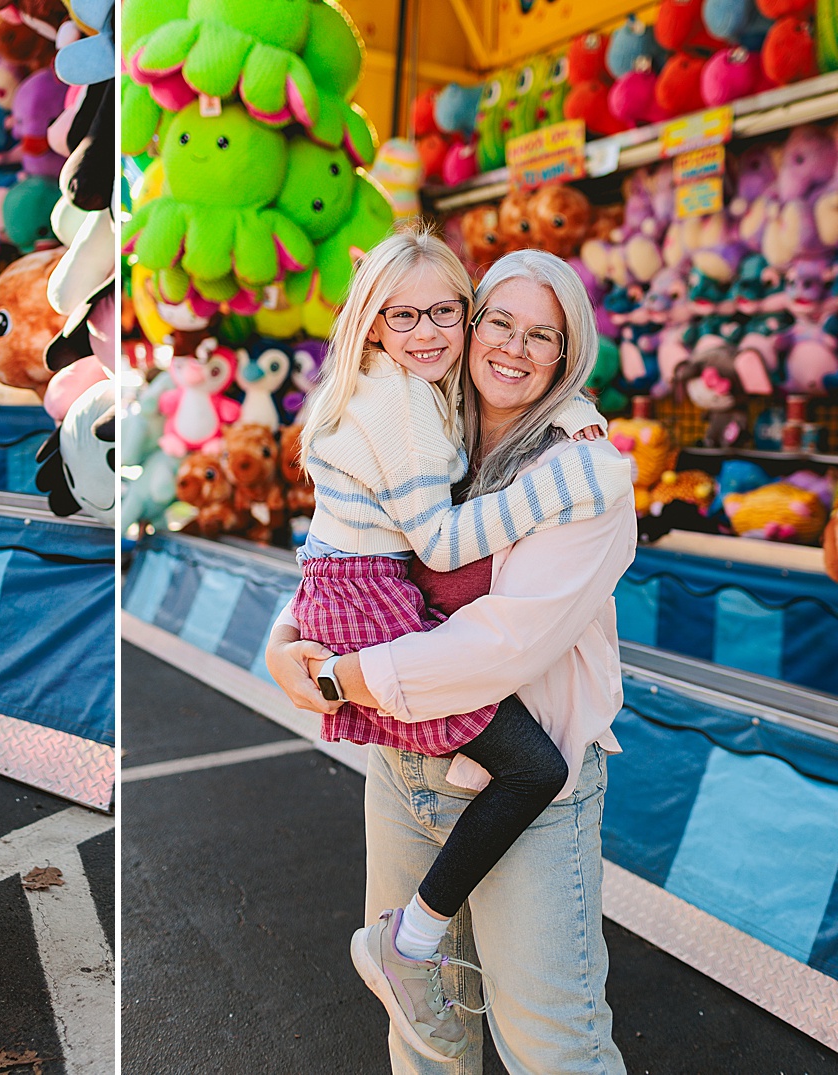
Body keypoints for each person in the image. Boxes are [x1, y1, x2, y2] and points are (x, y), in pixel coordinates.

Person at [268, 247, 637, 1074]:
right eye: (499, 321)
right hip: (407, 767)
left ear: (568, 352)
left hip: (528, 784)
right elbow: (355, 547)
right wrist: (285, 634)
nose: (514, 347)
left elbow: (498, 648)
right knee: (424, 1034)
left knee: (553, 1046)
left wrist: (341, 677)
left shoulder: (581, 471)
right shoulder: (428, 413)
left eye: (542, 335)